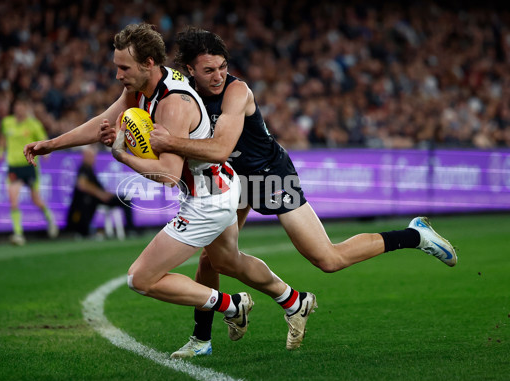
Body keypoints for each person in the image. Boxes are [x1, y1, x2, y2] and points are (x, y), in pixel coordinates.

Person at [147, 27, 458, 358]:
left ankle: (414, 235)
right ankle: (202, 340)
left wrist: (167, 142)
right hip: (231, 181)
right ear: (190, 70)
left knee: (327, 258)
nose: (219, 75)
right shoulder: (182, 93)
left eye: (223, 66)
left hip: (269, 176)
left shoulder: (237, 91)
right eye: (209, 70)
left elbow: (221, 146)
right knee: (212, 259)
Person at [26, 23, 316, 354]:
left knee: (141, 278)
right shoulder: (141, 87)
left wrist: (123, 156)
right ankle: (294, 301)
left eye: (124, 67)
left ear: (149, 63)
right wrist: (52, 144)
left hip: (208, 200)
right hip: (220, 186)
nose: (118, 74)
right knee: (227, 262)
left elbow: (167, 176)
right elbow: (103, 122)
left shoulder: (172, 104)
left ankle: (231, 306)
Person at [0, 96, 58, 246]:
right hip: (13, 167)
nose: (19, 109)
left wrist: (46, 153)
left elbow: (44, 140)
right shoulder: (7, 122)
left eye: (22, 105)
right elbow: (2, 137)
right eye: (17, 105)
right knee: (13, 200)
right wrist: (0, 150)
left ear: (26, 108)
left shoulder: (33, 124)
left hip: (29, 166)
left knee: (35, 200)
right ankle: (18, 234)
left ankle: (50, 220)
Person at [66, 145, 137, 238]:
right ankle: (85, 230)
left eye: (93, 156)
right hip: (93, 199)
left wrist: (105, 193)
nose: (93, 158)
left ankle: (130, 229)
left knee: (126, 198)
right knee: (87, 202)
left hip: (98, 198)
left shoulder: (90, 169)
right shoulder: (84, 168)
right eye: (91, 156)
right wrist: (100, 194)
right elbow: (82, 185)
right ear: (85, 156)